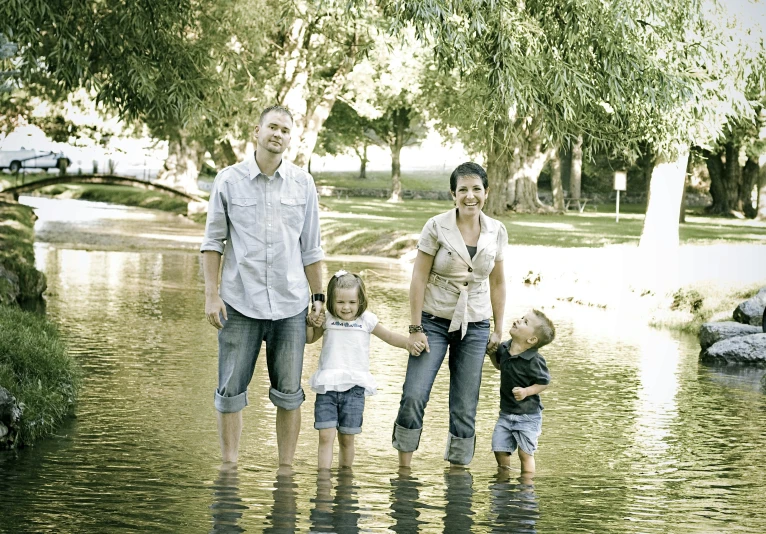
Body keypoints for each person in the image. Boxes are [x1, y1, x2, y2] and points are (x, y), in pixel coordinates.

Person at [200, 105, 325, 466]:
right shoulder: (228, 180)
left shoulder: (304, 183)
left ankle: (285, 471)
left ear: (291, 138)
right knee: (230, 390)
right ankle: (230, 466)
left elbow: (312, 247)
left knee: (290, 393)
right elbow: (213, 243)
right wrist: (212, 294)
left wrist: (318, 299)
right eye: (272, 127)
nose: (278, 134)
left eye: (286, 130)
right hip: (240, 303)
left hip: (290, 306)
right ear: (256, 131)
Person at [393, 161, 508, 467]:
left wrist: (498, 329)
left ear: (486, 192)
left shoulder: (497, 230)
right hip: (432, 320)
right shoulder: (436, 226)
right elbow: (418, 277)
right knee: (414, 394)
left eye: (476, 189)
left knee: (465, 405)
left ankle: (458, 475)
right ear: (453, 194)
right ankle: (404, 470)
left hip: (476, 323)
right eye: (463, 190)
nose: (470, 196)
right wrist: (415, 327)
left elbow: (497, 281)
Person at [306, 270, 425, 470]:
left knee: (347, 439)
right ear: (331, 302)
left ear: (360, 301)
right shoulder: (326, 319)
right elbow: (309, 339)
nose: (346, 308)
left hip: (354, 388)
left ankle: (345, 477)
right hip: (327, 386)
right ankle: (323, 479)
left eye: (352, 302)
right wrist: (310, 322)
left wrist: (408, 344)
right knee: (325, 435)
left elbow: (388, 336)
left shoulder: (366, 320)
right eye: (340, 302)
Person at [488, 309, 555, 476]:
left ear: (532, 339)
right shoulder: (504, 347)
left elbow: (543, 382)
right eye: (522, 318)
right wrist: (491, 355)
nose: (518, 320)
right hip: (506, 413)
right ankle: (503, 479)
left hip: (528, 415)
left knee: (525, 453)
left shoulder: (534, 360)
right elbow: (500, 366)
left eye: (525, 322)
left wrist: (527, 391)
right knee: (499, 448)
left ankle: (527, 486)